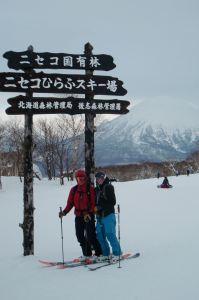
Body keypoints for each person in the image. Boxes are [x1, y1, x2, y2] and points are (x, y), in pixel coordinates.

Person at [59, 169, 102, 260]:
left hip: (88, 215)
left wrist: (89, 212)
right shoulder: (73, 190)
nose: (81, 180)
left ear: (85, 178)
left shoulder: (90, 189)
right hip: (78, 216)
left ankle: (99, 254)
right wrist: (64, 212)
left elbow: (93, 203)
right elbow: (70, 203)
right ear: (76, 179)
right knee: (79, 236)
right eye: (79, 178)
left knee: (91, 236)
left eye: (82, 178)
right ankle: (87, 255)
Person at [95, 171, 122, 261]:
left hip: (108, 215)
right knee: (100, 235)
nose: (99, 180)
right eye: (98, 179)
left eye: (101, 178)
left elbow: (112, 202)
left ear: (104, 178)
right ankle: (105, 253)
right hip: (99, 216)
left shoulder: (109, 187)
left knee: (110, 234)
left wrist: (100, 206)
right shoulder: (97, 189)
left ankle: (117, 253)